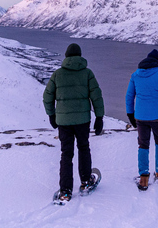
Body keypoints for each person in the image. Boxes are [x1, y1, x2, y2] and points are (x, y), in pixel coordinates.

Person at [43, 43, 105, 202]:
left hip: (63, 121)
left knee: (66, 153)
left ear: (66, 56)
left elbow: (47, 97)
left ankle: (65, 190)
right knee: (84, 148)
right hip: (83, 120)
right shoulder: (87, 73)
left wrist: (52, 115)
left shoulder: (57, 74)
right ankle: (85, 182)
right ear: (80, 56)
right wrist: (99, 117)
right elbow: (96, 97)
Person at [125, 49, 158, 191]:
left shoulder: (135, 75)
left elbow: (129, 96)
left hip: (140, 118)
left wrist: (130, 114)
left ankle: (143, 179)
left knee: (143, 145)